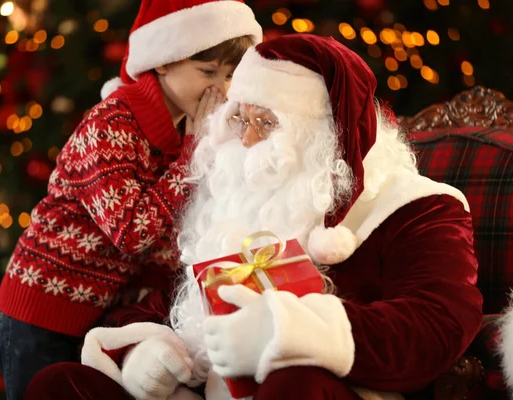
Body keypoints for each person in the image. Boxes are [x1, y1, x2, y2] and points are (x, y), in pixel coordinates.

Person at [25, 34, 483, 400]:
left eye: (264, 123)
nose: (244, 142)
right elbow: (164, 302)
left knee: (294, 385)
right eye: (237, 119)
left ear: (324, 132)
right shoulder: (234, 201)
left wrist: (292, 332)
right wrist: (146, 351)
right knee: (60, 385)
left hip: (327, 390)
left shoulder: (413, 207)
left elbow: (438, 321)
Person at [0, 1, 262, 399]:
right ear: (165, 61)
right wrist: (193, 154)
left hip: (100, 319)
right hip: (42, 314)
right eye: (207, 71)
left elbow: (169, 239)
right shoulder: (112, 124)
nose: (220, 89)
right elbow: (131, 231)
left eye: (229, 75)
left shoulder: (186, 130)